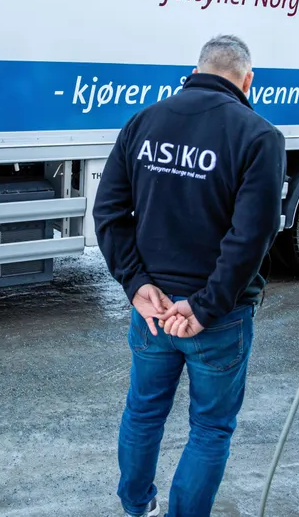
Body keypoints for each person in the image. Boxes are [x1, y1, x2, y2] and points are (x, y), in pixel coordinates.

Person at [93, 35, 287, 517]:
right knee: (210, 428)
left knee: (143, 412)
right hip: (215, 319)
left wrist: (136, 284)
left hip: (154, 312)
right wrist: (205, 307)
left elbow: (110, 212)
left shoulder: (144, 122)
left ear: (196, 70)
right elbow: (252, 235)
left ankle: (137, 507)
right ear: (247, 80)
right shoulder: (259, 135)